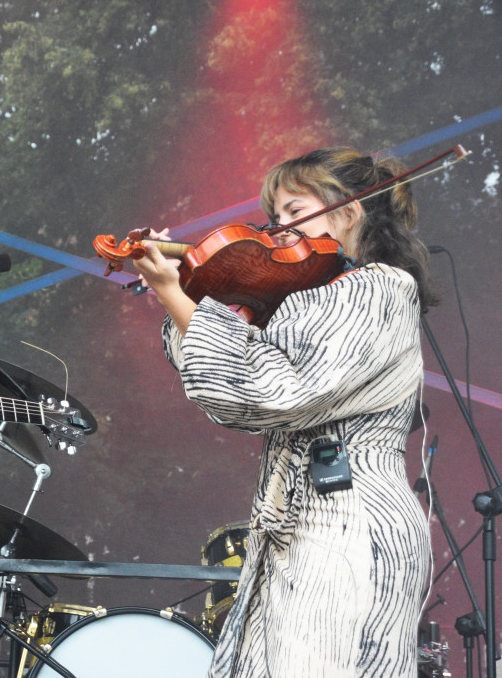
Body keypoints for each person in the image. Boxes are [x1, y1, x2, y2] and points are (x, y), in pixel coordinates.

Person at [133, 146, 435, 677]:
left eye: (295, 211)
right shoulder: (313, 297)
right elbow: (240, 371)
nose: (279, 230)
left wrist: (175, 293)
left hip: (347, 519)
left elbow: (274, 388)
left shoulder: (378, 288)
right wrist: (184, 291)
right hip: (302, 521)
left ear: (348, 211)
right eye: (275, 217)